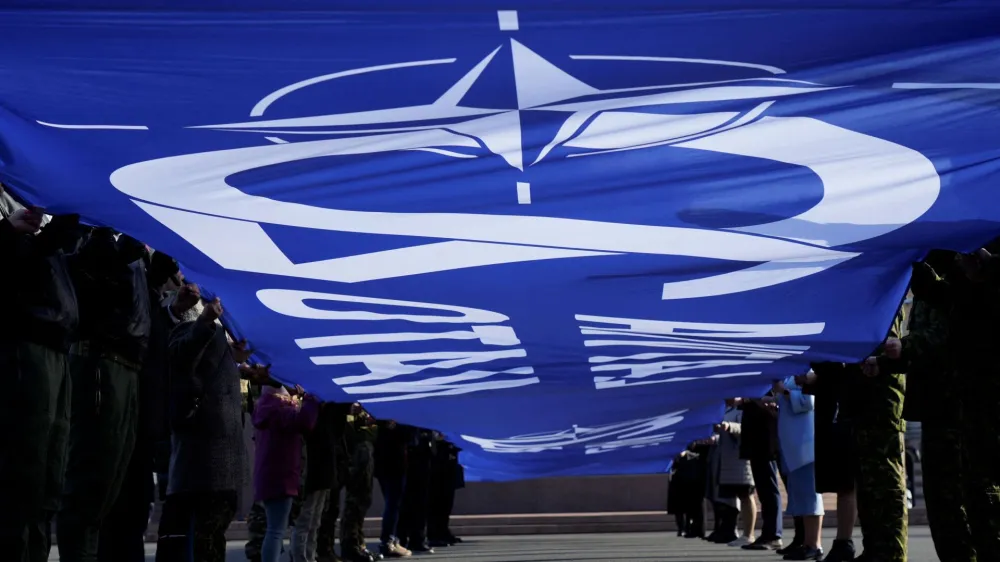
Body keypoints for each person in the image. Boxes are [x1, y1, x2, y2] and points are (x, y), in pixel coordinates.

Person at [58, 227, 152, 562]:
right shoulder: (89, 235)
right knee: (89, 483)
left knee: (109, 487)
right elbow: (85, 286)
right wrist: (121, 252)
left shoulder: (127, 243)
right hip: (100, 364)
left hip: (127, 366)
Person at [0, 199, 80, 562]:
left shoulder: (24, 195)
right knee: (22, 472)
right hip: (20, 348)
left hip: (55, 348)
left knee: (49, 475)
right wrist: (8, 231)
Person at [156, 297, 256, 562]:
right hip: (203, 460)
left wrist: (237, 360)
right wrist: (203, 321)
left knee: (212, 537)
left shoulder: (214, 332)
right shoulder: (189, 324)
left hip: (219, 459)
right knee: (205, 541)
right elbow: (180, 356)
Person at [253, 384, 320, 562]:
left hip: (270, 476)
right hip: (281, 476)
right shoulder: (278, 411)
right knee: (275, 530)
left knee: (274, 528)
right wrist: (311, 398)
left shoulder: (266, 408)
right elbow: (305, 421)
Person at [801, 362, 858, 562]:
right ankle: (843, 541)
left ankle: (845, 542)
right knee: (842, 484)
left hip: (844, 416)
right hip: (831, 415)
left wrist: (816, 378)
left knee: (847, 484)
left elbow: (844, 374)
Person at [775, 376, 824, 561]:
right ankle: (807, 542)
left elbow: (808, 402)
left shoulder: (807, 374)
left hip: (806, 446)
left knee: (810, 495)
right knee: (802, 497)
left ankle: (815, 544)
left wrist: (784, 392)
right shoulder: (790, 376)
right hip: (794, 447)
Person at [734, 395, 783, 551]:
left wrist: (748, 399)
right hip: (755, 437)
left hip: (765, 437)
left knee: (768, 487)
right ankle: (769, 533)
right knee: (764, 489)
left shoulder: (766, 378)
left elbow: (771, 399)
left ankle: (773, 534)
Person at [292, 403, 339, 562]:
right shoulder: (311, 407)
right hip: (313, 470)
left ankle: (310, 556)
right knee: (306, 519)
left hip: (324, 470)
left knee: (315, 521)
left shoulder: (330, 412)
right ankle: (301, 557)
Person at [339, 404, 380, 562]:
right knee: (354, 504)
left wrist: (368, 422)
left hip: (365, 459)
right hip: (354, 461)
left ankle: (359, 544)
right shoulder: (346, 410)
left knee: (363, 501)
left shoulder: (364, 412)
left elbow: (371, 434)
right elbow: (350, 433)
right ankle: (350, 545)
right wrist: (352, 415)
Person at [715, 401, 756, 547]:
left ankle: (749, 534)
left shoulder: (745, 408)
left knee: (746, 496)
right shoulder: (727, 409)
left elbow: (748, 429)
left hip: (743, 459)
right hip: (730, 460)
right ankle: (738, 532)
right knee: (737, 497)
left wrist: (729, 426)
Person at [376, 420, 414, 558]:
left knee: (393, 503)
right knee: (393, 504)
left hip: (382, 460)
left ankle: (391, 539)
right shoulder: (396, 417)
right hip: (394, 462)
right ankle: (388, 541)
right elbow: (408, 436)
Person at [397, 428, 435, 553]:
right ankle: (400, 538)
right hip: (405, 452)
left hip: (423, 453)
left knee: (421, 500)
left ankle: (417, 538)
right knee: (403, 500)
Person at [427, 434, 463, 547]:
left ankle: (443, 531)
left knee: (447, 500)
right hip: (437, 459)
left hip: (450, 457)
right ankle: (434, 534)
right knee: (437, 500)